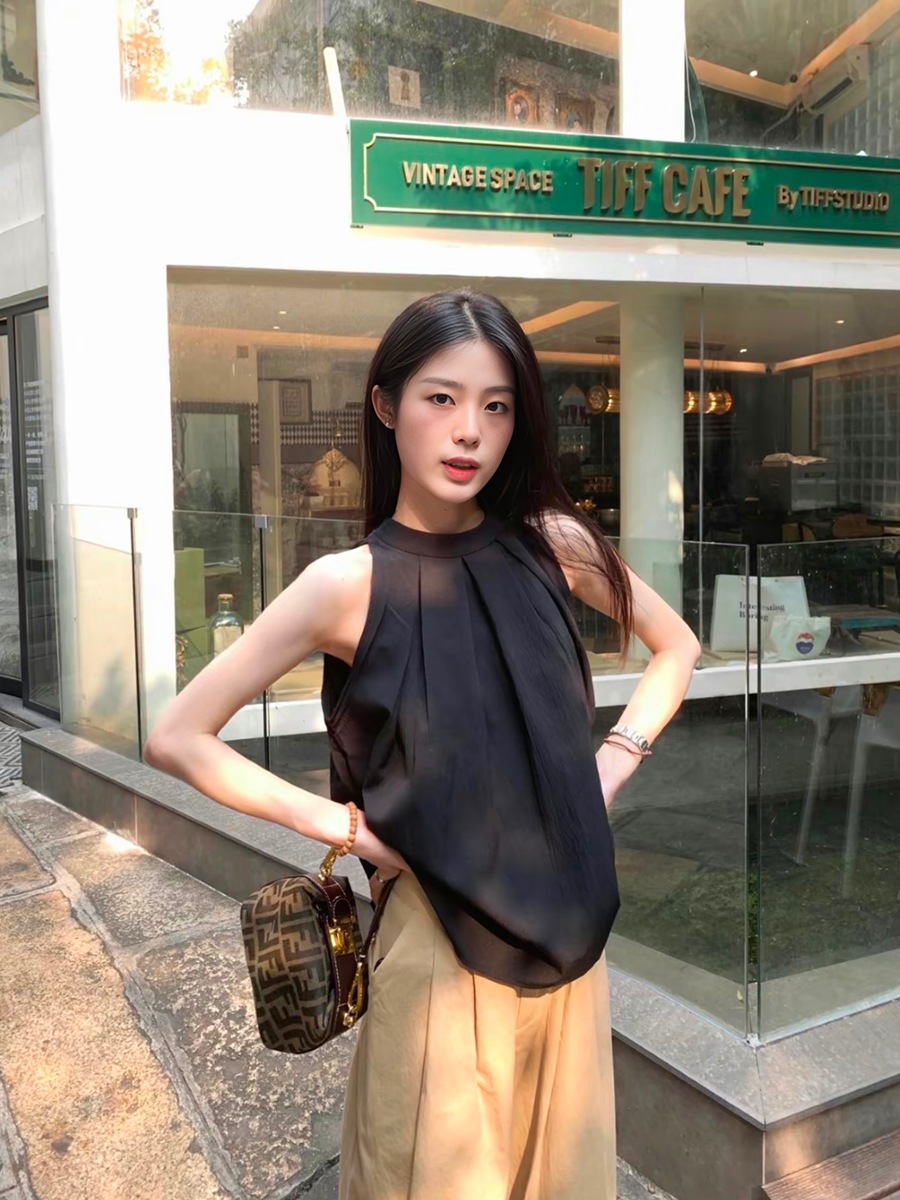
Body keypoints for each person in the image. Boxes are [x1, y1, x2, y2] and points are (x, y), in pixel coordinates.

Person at [145, 289, 701, 1200]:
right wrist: (349, 829)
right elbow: (177, 736)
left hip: (574, 940)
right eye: (441, 398)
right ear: (386, 404)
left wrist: (609, 764)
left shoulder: (551, 543)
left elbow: (675, 647)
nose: (470, 430)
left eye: (496, 405)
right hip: (439, 948)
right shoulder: (345, 585)